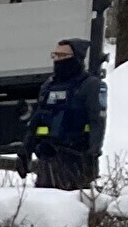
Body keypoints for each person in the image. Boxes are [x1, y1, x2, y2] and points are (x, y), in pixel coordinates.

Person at [29, 38, 104, 190]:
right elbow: (37, 119)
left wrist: (93, 154)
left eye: (62, 55)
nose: (57, 59)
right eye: (55, 55)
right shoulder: (48, 86)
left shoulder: (91, 85)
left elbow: (97, 121)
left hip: (76, 158)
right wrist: (26, 149)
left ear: (77, 57)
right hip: (48, 159)